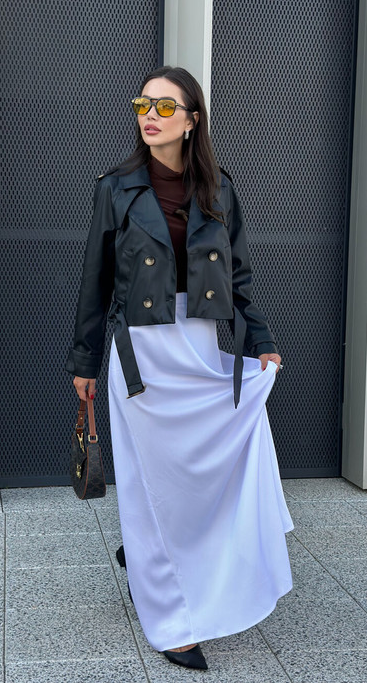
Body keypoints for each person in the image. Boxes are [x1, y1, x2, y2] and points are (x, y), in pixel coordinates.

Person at [66, 66, 293, 671]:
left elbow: (238, 275)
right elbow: (95, 279)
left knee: (202, 472)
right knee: (150, 485)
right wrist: (86, 360)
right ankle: (171, 618)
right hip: (140, 353)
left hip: (197, 345)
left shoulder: (218, 190)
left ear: (192, 122)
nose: (150, 115)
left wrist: (261, 339)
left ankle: (166, 555)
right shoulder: (116, 188)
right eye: (143, 104)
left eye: (166, 107)